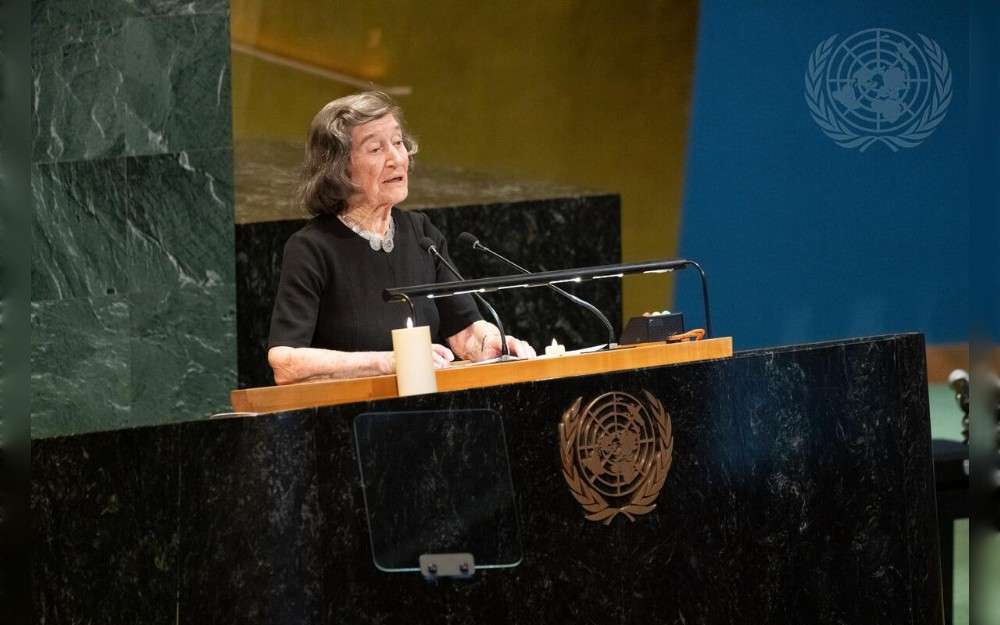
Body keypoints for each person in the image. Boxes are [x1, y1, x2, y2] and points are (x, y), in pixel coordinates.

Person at [267, 91, 536, 385]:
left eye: (398, 143)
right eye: (375, 149)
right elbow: (286, 361)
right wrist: (389, 361)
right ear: (339, 168)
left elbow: (464, 332)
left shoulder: (421, 234)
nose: (397, 158)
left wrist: (492, 344)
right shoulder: (312, 248)